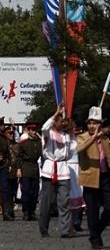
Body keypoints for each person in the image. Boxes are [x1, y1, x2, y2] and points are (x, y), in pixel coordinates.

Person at [39, 104, 78, 239]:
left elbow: (73, 151)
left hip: (63, 169)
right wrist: (56, 113)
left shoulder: (67, 136)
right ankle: (43, 229)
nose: (61, 122)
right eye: (59, 119)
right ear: (54, 121)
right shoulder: (48, 133)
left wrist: (72, 135)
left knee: (64, 202)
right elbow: (44, 127)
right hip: (49, 168)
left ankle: (65, 230)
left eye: (62, 119)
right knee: (47, 202)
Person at [78, 107, 110, 249]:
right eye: (89, 123)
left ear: (100, 125)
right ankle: (95, 239)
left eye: (95, 123)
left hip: (105, 178)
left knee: (109, 208)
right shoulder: (83, 137)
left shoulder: (105, 139)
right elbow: (79, 149)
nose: (92, 126)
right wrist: (93, 138)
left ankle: (96, 231)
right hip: (90, 178)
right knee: (93, 211)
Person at [16, 121, 43, 220]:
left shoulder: (38, 143)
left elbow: (45, 146)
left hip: (35, 168)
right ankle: (26, 211)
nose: (34, 132)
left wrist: (40, 137)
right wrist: (19, 169)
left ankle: (32, 211)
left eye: (35, 130)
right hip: (26, 167)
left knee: (35, 192)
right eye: (32, 130)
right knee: (26, 191)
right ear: (28, 131)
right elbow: (19, 157)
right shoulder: (24, 143)